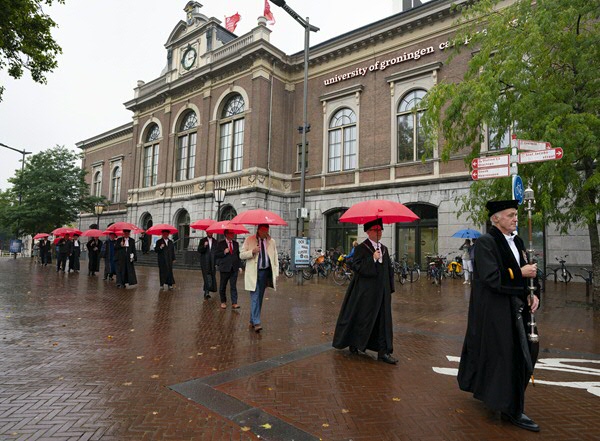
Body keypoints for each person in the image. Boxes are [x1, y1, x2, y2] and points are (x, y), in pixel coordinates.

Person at [457, 199, 541, 432]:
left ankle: (507, 400)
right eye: (510, 215)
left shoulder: (519, 241)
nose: (516, 218)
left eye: (516, 214)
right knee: (505, 358)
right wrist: (520, 273)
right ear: (496, 219)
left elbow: (530, 271)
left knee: (526, 353)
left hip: (519, 309)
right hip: (497, 312)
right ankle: (510, 408)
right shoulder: (486, 242)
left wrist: (535, 294)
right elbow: (491, 277)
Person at [332, 218, 397, 364]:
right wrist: (372, 259)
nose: (379, 232)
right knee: (361, 318)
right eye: (375, 230)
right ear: (368, 231)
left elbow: (388, 270)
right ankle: (354, 343)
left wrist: (389, 288)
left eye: (380, 230)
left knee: (383, 322)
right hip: (365, 293)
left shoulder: (384, 249)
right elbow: (357, 267)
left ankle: (383, 352)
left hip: (382, 293)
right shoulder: (362, 248)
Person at [240, 224, 279, 333]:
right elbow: (241, 255)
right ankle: (257, 322)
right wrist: (252, 251)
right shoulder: (249, 240)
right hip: (253, 273)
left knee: (260, 297)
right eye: (263, 231)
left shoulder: (272, 241)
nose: (265, 233)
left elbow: (275, 257)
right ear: (258, 230)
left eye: (267, 231)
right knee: (255, 296)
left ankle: (253, 320)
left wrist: (276, 272)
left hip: (265, 273)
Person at [215, 229, 241, 309]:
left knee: (233, 286)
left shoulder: (236, 244)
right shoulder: (220, 244)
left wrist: (239, 266)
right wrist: (224, 252)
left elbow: (238, 255)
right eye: (231, 233)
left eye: (233, 232)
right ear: (226, 234)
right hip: (225, 268)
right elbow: (216, 255)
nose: (233, 234)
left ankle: (234, 302)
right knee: (223, 285)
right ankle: (223, 301)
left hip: (234, 268)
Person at [198, 232, 217, 299]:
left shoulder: (215, 241)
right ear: (206, 233)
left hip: (212, 262)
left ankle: (208, 290)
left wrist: (216, 262)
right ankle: (206, 292)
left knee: (211, 276)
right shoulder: (202, 240)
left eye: (211, 232)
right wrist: (204, 246)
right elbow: (199, 250)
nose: (210, 233)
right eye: (209, 232)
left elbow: (216, 252)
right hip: (205, 262)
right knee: (206, 277)